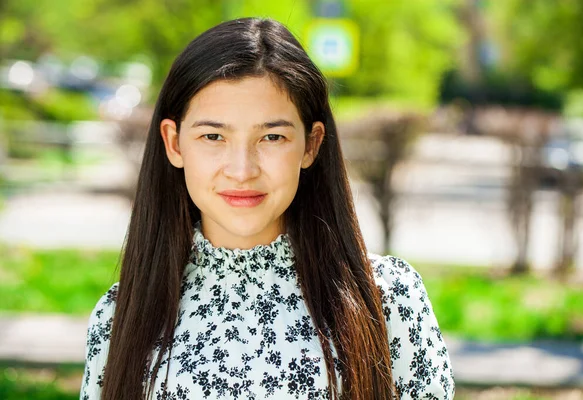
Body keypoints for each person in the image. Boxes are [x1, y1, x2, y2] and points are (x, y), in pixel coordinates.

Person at [80, 17, 454, 400]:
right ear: (174, 144)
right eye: (213, 136)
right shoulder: (121, 315)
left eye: (272, 137)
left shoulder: (386, 298)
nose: (242, 170)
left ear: (311, 144)